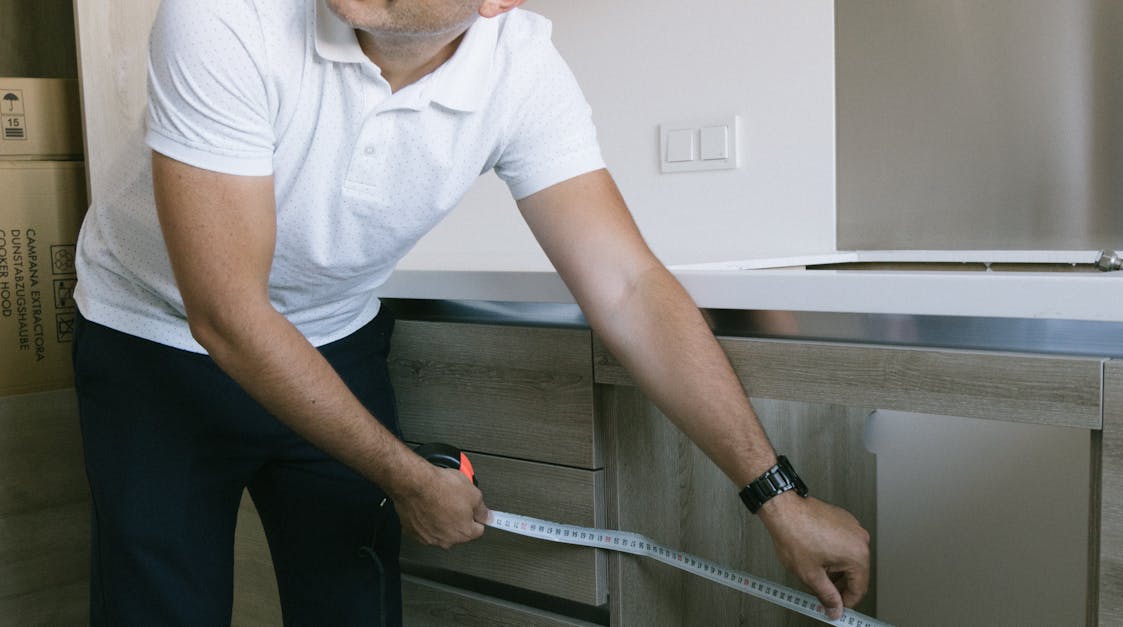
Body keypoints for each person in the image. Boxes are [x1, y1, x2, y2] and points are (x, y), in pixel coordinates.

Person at [72, 0, 871, 625]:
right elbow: (228, 313)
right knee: (161, 608)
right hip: (156, 337)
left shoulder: (522, 74)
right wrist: (402, 473)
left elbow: (628, 285)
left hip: (330, 337)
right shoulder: (224, 16)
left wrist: (778, 495)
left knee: (353, 603)